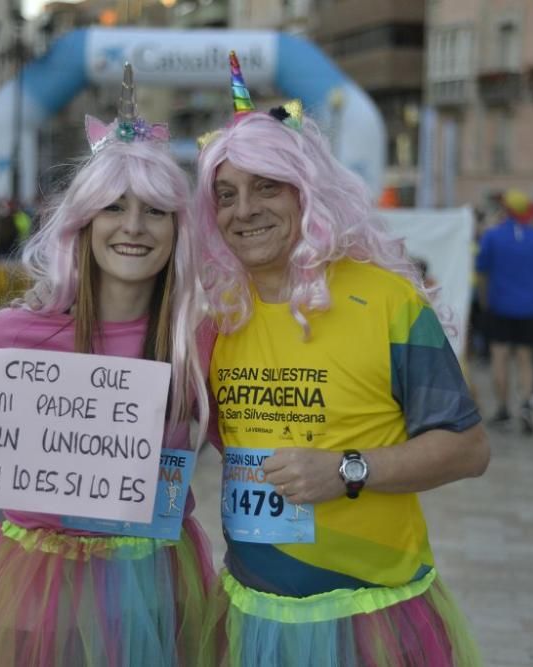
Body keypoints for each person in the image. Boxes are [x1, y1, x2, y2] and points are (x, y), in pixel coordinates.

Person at [0, 65, 214, 666]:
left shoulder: (196, 339)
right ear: (83, 223)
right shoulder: (12, 334)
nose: (133, 227)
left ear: (178, 230)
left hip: (147, 584)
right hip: (33, 583)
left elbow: (244, 442)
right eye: (113, 208)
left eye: (154, 211)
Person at [196, 52, 489, 666]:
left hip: (371, 615)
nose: (242, 211)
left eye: (264, 188)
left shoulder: (385, 298)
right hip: (252, 614)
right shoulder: (216, 314)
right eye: (225, 195)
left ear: (307, 194)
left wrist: (348, 471)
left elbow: (467, 448)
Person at [476, 189, 533, 434]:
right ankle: (526, 406)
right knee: (526, 359)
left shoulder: (492, 236)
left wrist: (485, 298)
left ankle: (503, 409)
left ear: (505, 210)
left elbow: (480, 269)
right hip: (529, 307)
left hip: (499, 305)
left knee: (500, 358)